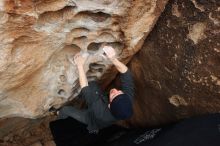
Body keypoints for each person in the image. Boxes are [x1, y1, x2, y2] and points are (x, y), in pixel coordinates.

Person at [57, 46, 134, 133]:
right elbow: (125, 72)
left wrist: (79, 65)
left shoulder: (100, 112)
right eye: (120, 92)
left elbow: (85, 87)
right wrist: (113, 58)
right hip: (102, 104)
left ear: (109, 106)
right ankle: (81, 100)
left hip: (91, 119)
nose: (115, 90)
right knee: (93, 85)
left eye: (113, 95)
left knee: (66, 110)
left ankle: (60, 124)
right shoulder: (126, 100)